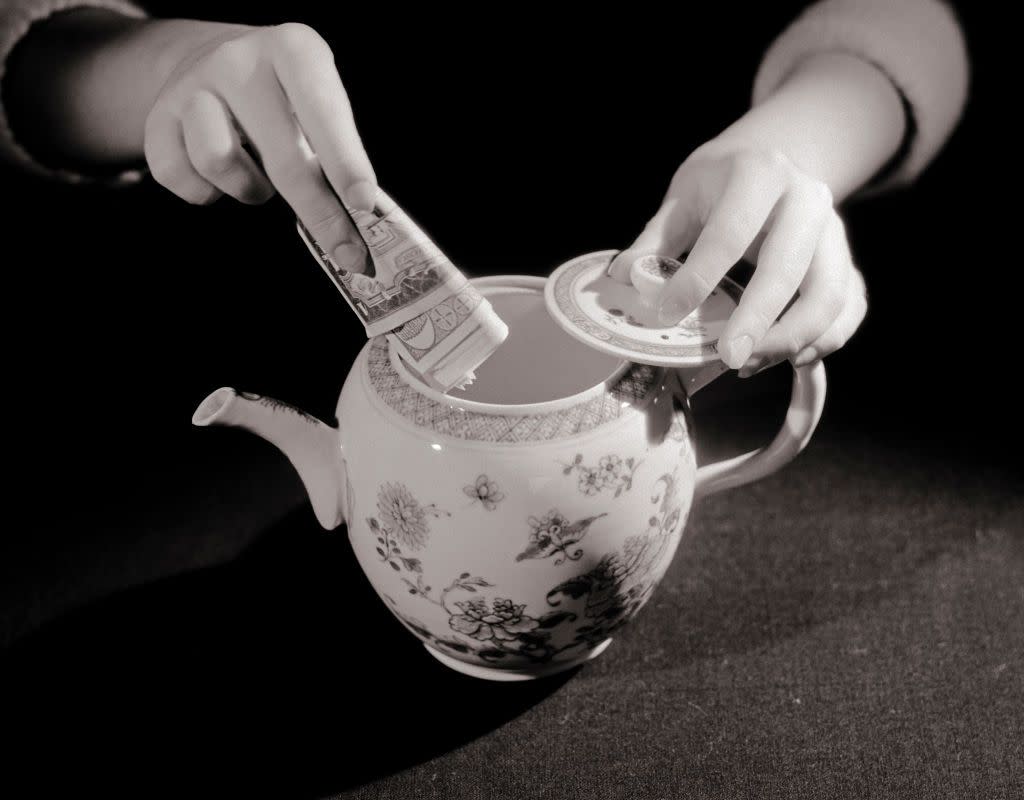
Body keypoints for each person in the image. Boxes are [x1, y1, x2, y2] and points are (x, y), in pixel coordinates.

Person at [0, 0, 968, 377]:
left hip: (649, 269)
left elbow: (916, 17)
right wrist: (173, 66)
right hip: (214, 326)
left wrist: (795, 146)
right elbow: (29, 55)